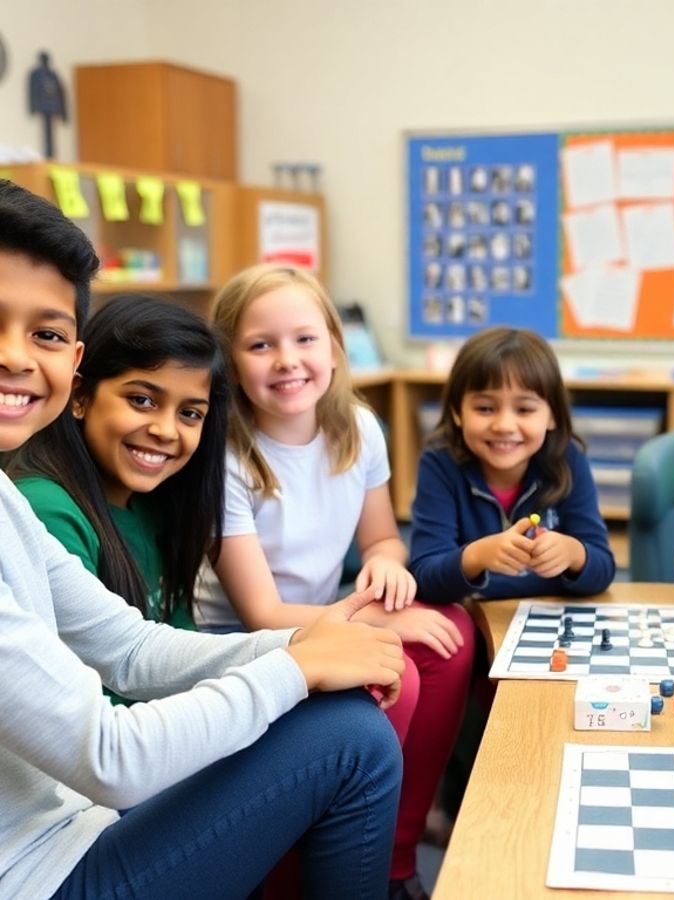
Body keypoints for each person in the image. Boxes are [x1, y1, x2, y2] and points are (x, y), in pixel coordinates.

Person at [0, 181, 404, 898]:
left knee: (343, 713)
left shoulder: (7, 499)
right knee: (351, 739)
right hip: (41, 873)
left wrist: (300, 648)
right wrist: (298, 667)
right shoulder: (44, 497)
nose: (16, 357)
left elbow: (132, 646)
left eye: (47, 334)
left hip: (73, 827)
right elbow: (107, 752)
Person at [197, 263, 471, 900]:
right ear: (230, 362)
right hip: (239, 637)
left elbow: (381, 538)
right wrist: (377, 619)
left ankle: (398, 852)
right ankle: (318, 863)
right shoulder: (229, 455)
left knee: (450, 635)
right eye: (260, 344)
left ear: (334, 346)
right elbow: (261, 612)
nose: (287, 360)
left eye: (304, 339)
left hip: (321, 613)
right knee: (389, 678)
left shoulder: (359, 427)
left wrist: (385, 564)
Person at [9, 296, 228, 681]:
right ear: (80, 397)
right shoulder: (47, 509)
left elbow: (185, 650)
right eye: (141, 400)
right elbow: (81, 700)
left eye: (190, 414)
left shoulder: (155, 503)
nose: (166, 430)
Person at [408, 326, 615, 601]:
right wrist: (478, 555)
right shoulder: (440, 463)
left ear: (552, 416)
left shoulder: (568, 460)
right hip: (473, 619)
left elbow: (604, 568)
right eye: (484, 408)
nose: (504, 426)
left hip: (549, 619)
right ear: (457, 412)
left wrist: (573, 553)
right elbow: (424, 577)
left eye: (525, 409)